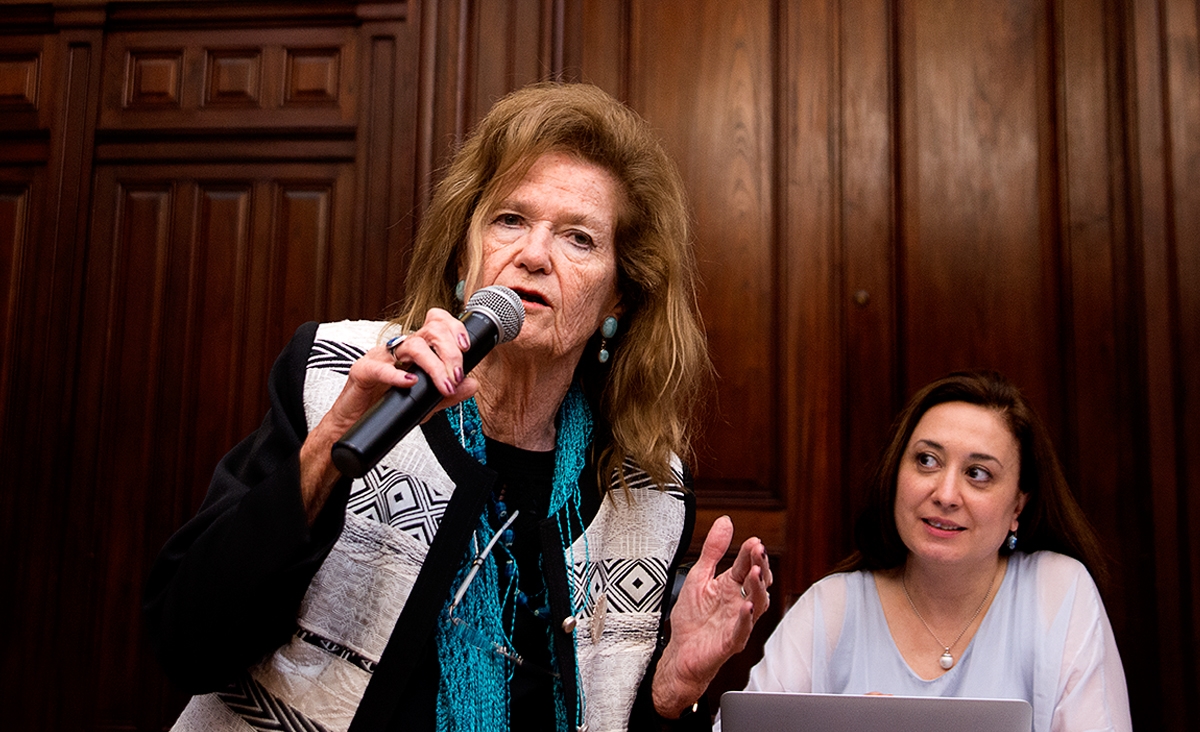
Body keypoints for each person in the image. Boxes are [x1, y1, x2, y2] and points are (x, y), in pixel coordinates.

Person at [144, 81, 772, 732]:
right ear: (464, 256)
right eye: (510, 220)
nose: (532, 254)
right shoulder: (341, 376)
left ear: (620, 296)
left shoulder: (646, 488)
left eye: (579, 239)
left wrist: (667, 699)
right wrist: (324, 461)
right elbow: (187, 644)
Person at [719, 370, 1131, 732]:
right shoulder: (831, 606)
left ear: (1017, 507)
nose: (946, 494)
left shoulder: (1058, 590)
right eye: (927, 461)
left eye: (978, 473)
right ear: (897, 473)